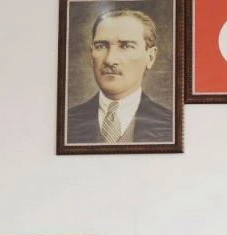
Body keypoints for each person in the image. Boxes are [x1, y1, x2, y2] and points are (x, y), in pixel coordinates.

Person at [66, 9, 172, 144]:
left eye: (126, 46)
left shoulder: (170, 124)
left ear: (150, 57)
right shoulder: (66, 122)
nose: (110, 60)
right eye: (101, 46)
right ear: (91, 55)